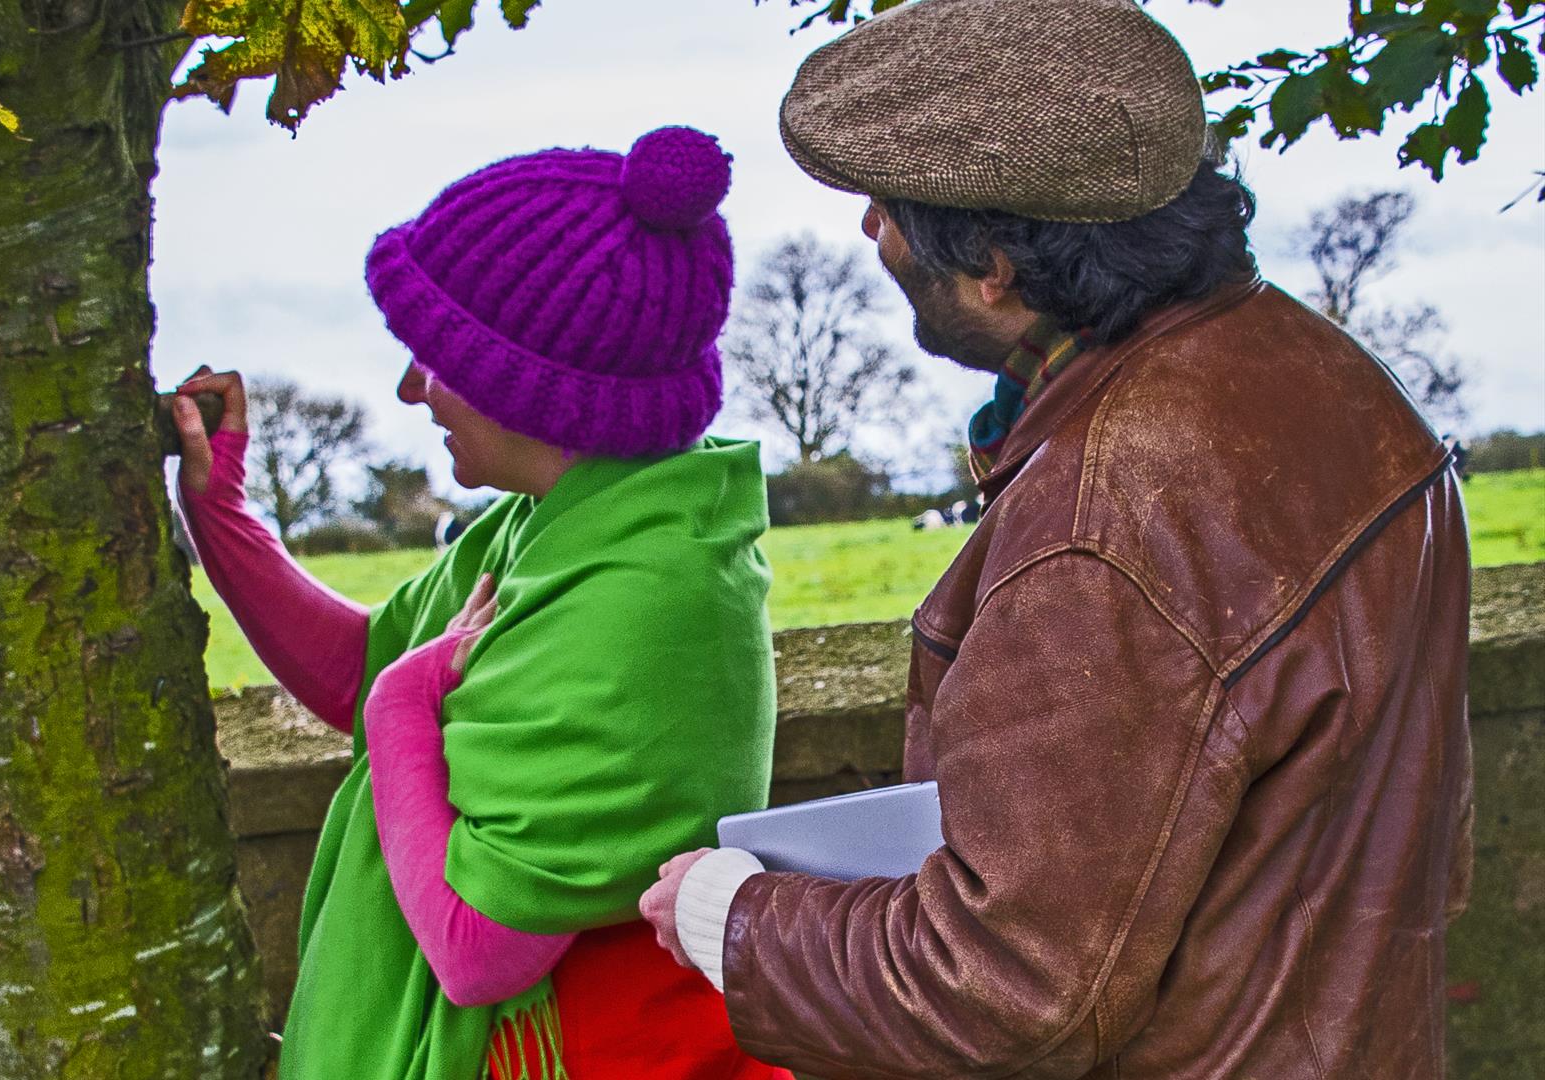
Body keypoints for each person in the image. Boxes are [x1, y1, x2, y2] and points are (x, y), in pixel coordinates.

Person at [639, 2, 1474, 1077]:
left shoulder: (1104, 524)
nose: (868, 234)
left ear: (993, 266)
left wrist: (733, 913)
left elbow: (1006, 988)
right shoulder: (1340, 382)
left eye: (887, 210)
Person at [173, 127, 794, 1080]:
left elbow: (478, 952)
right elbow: (364, 666)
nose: (412, 387)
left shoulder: (651, 599)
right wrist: (224, 517)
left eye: (439, 356)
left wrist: (401, 709)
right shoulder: (560, 523)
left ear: (532, 383)